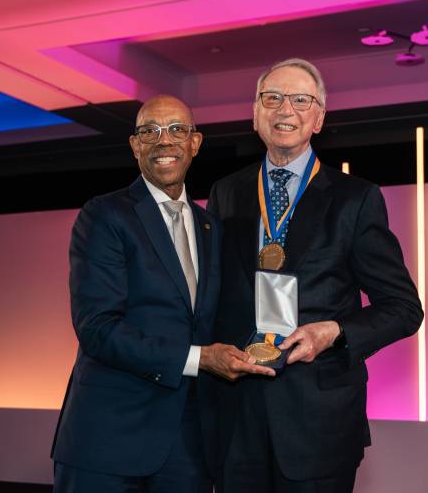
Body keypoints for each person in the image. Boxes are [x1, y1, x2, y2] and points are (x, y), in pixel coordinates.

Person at [207, 59, 424, 492]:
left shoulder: (355, 199)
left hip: (319, 420)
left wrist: (335, 332)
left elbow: (403, 308)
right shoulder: (225, 192)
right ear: (255, 113)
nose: (285, 110)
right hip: (236, 416)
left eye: (301, 100)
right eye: (272, 98)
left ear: (319, 118)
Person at [52, 95, 273, 493]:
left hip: (188, 445)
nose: (164, 141)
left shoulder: (211, 228)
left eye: (176, 130)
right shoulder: (104, 216)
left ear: (195, 143)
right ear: (135, 146)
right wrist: (200, 359)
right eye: (150, 131)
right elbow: (98, 328)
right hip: (108, 439)